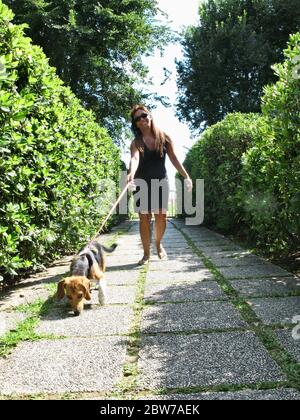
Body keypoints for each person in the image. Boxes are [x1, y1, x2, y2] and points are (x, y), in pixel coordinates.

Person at [127, 104, 193, 265]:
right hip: (142, 182)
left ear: (150, 116)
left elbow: (174, 158)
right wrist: (131, 173)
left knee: (161, 217)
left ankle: (157, 243)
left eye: (144, 115)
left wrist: (187, 176)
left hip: (161, 181)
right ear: (135, 123)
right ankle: (146, 253)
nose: (142, 119)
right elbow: (135, 158)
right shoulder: (136, 142)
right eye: (137, 118)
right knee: (144, 217)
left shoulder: (165, 138)